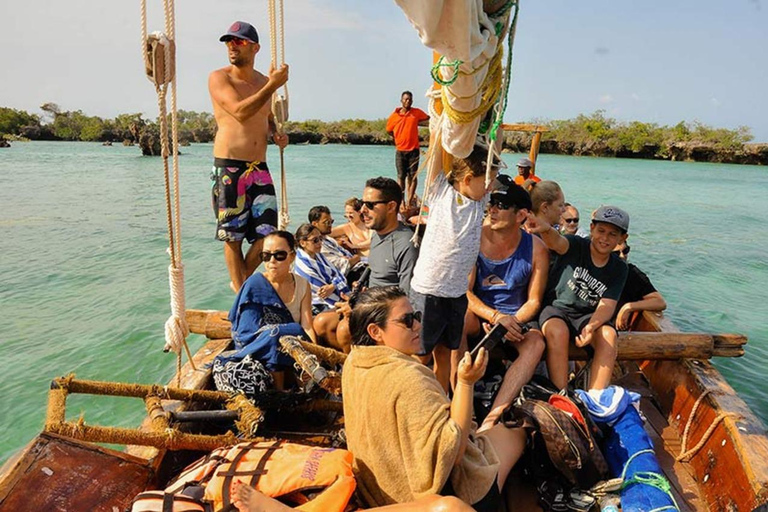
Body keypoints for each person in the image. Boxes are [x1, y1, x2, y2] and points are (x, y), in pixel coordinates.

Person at [343, 287, 526, 510]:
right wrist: (466, 383)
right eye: (407, 321)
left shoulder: (354, 363)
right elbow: (454, 453)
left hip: (381, 492)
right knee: (519, 433)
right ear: (375, 331)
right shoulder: (407, 377)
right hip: (453, 495)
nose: (418, 325)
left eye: (417, 317)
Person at [208, 21, 290, 292]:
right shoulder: (220, 78)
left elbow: (265, 116)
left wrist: (276, 133)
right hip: (230, 168)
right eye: (229, 41)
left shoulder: (265, 83)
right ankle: (243, 290)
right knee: (232, 236)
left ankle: (240, 284)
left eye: (239, 41)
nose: (232, 46)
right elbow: (240, 112)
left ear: (255, 48)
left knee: (267, 233)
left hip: (260, 168)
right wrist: (272, 85)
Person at [410, 145, 498, 392]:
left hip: (456, 294)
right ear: (467, 180)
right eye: (486, 182)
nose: (490, 187)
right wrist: (440, 123)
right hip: (429, 290)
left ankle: (443, 401)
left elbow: (493, 151)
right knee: (420, 354)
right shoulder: (441, 194)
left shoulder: (479, 203)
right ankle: (413, 398)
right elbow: (437, 156)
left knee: (445, 353)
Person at [464, 176, 548, 429]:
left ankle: (492, 417)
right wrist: (493, 317)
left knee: (536, 343)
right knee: (457, 320)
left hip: (515, 318)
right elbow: (465, 293)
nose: (492, 209)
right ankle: (460, 404)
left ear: (521, 214)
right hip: (481, 314)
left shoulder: (537, 248)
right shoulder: (474, 239)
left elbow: (534, 300)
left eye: (501, 205)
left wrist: (511, 322)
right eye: (492, 203)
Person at [527, 206, 630, 390]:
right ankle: (562, 394)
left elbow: (607, 305)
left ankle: (596, 398)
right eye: (601, 231)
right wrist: (545, 229)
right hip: (556, 308)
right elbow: (557, 242)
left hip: (586, 316)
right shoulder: (575, 245)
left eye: (612, 234)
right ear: (591, 228)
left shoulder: (620, 268)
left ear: (622, 239)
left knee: (609, 335)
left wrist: (591, 327)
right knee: (558, 331)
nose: (604, 238)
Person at [227, 231, 314, 390]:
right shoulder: (254, 285)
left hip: (292, 348)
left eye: (279, 255)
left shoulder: (302, 285)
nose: (272, 261)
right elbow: (247, 332)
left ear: (292, 256)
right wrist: (277, 336)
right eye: (266, 256)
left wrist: (313, 356)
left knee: (292, 337)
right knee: (276, 335)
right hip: (260, 348)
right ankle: (279, 393)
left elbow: (307, 326)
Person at [361, 177, 419, 294]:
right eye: (362, 203)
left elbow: (406, 299)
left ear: (391, 206)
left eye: (370, 205)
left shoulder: (406, 245)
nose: (362, 210)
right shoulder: (376, 235)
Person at [293, 224, 351, 314]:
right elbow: (323, 293)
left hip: (336, 296)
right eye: (315, 240)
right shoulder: (303, 266)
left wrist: (333, 285)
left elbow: (338, 274)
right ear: (302, 243)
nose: (320, 243)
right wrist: (336, 283)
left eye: (321, 238)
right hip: (319, 304)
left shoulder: (318, 255)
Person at [386, 91, 429, 208]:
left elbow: (429, 119)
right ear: (401, 100)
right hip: (400, 150)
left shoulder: (416, 113)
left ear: (412, 101)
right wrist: (397, 138)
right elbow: (389, 130)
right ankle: (401, 201)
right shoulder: (394, 116)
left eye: (410, 99)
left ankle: (410, 201)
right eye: (405, 99)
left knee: (413, 176)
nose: (407, 101)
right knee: (401, 177)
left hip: (414, 150)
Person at [612, 241, 667, 330]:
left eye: (625, 251)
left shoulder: (632, 274)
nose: (622, 256)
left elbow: (660, 302)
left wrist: (629, 307)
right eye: (616, 253)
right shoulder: (590, 269)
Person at [308, 206, 362, 277]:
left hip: (359, 266)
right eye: (327, 222)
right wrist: (356, 258)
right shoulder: (317, 245)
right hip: (352, 274)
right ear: (315, 224)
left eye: (331, 221)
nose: (330, 225)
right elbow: (341, 265)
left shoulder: (328, 239)